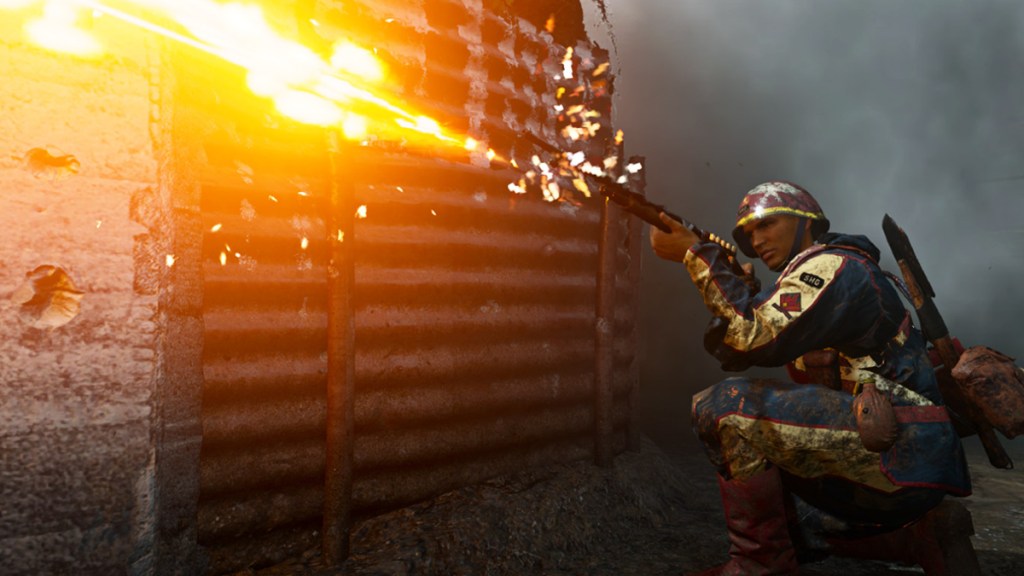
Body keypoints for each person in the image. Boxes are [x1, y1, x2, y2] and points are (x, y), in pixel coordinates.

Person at [649, 181, 975, 576]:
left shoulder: (833, 265)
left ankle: (760, 566)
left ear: (806, 220)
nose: (757, 240)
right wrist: (744, 292)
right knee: (791, 515)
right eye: (749, 234)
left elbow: (750, 336)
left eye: (766, 224)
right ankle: (923, 536)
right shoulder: (820, 273)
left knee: (724, 407)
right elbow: (740, 349)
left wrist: (694, 254)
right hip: (901, 452)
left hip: (900, 445)